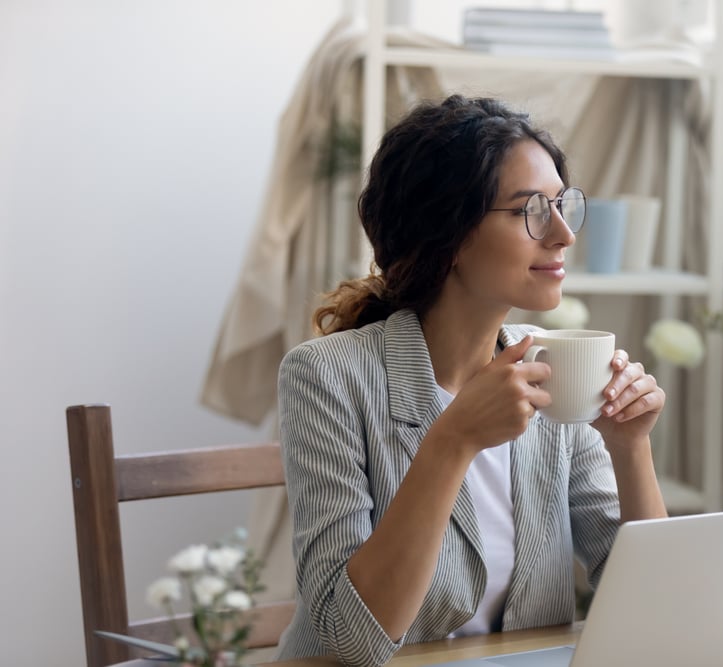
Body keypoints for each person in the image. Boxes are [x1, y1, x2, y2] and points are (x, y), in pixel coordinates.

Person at [274, 94, 668, 666]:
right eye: (530, 209)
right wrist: (452, 441)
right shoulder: (327, 377)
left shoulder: (553, 371)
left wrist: (631, 447)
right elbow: (351, 641)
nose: (563, 235)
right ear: (449, 233)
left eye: (562, 206)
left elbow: (652, 610)